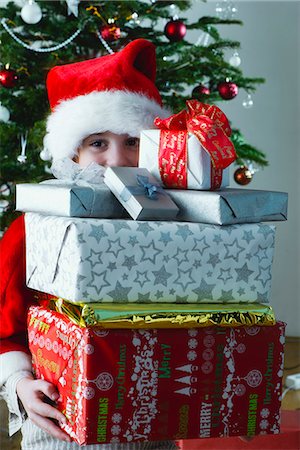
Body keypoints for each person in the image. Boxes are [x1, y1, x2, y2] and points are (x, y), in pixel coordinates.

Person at [0, 38, 176, 450]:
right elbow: (3, 328)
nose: (117, 160)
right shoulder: (38, 227)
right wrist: (20, 384)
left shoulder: (176, 223)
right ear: (73, 153)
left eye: (132, 141)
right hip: (62, 426)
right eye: (98, 143)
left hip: (155, 424)